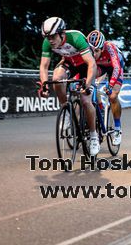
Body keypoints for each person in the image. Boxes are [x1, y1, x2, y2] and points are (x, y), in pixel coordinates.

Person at [37, 17, 100, 156]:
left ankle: (94, 135)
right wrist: (44, 86)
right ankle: (65, 109)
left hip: (85, 65)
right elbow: (44, 66)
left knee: (85, 100)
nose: (50, 40)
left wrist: (88, 84)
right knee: (56, 78)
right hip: (69, 63)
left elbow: (92, 64)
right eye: (47, 37)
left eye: (53, 36)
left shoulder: (76, 38)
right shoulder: (47, 43)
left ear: (62, 33)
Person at [86, 30, 124, 146]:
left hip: (115, 67)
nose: (94, 54)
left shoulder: (110, 48)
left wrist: (111, 85)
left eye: (97, 50)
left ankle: (117, 128)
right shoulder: (88, 51)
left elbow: (116, 68)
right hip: (100, 67)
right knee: (91, 86)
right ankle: (100, 108)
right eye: (92, 50)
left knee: (112, 96)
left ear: (102, 48)